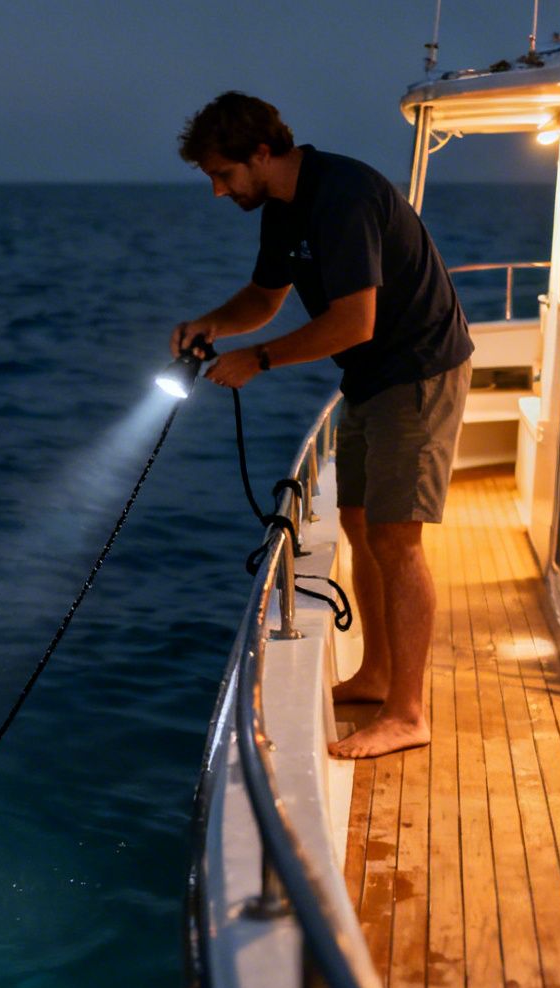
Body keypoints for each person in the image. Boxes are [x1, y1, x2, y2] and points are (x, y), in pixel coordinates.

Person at [170, 91, 474, 759]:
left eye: (224, 175)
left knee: (398, 541)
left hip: (417, 370)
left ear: (261, 151)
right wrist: (214, 326)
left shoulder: (342, 196)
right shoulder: (282, 208)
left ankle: (409, 713)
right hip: (370, 377)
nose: (219, 192)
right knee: (359, 524)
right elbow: (263, 297)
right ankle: (378, 674)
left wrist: (260, 359)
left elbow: (353, 322)